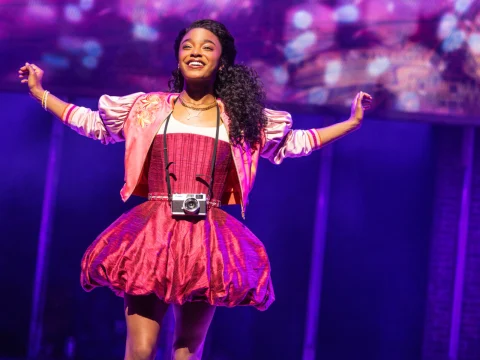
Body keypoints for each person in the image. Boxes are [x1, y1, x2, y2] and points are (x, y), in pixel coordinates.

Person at [19, 19, 372, 360]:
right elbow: (92, 123)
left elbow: (296, 143)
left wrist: (350, 124)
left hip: (206, 242)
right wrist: (40, 93)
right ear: (178, 57)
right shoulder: (148, 108)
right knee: (140, 350)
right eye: (187, 46)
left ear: (222, 61)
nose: (195, 52)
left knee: (188, 350)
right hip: (152, 237)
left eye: (207, 46)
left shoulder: (240, 118)